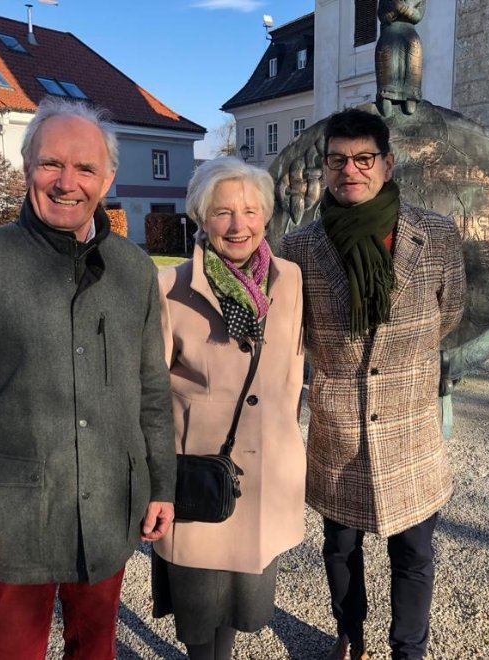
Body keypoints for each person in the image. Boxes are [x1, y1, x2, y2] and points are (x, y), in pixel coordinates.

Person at [0, 96, 176, 659]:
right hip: (12, 520)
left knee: (95, 650)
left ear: (107, 179)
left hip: (109, 511)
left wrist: (161, 484)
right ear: (26, 166)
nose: (67, 182)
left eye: (85, 168)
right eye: (51, 164)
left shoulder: (133, 270)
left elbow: (152, 388)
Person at [279, 108, 466, 660]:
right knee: (339, 549)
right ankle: (350, 633)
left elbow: (448, 314)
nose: (350, 170)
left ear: (387, 163)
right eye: (338, 160)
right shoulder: (302, 247)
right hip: (338, 427)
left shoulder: (434, 234)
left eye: (363, 159)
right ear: (326, 167)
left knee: (414, 553)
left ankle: (408, 649)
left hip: (411, 427)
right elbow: (295, 332)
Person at [151, 157, 306, 660]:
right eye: (222, 212)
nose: (238, 225)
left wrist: (287, 442)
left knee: (240, 601)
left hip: (263, 473)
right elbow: (151, 389)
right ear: (200, 216)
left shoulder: (289, 279)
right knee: (198, 609)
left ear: (265, 216)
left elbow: (292, 372)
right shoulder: (170, 287)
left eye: (250, 210)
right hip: (198, 472)